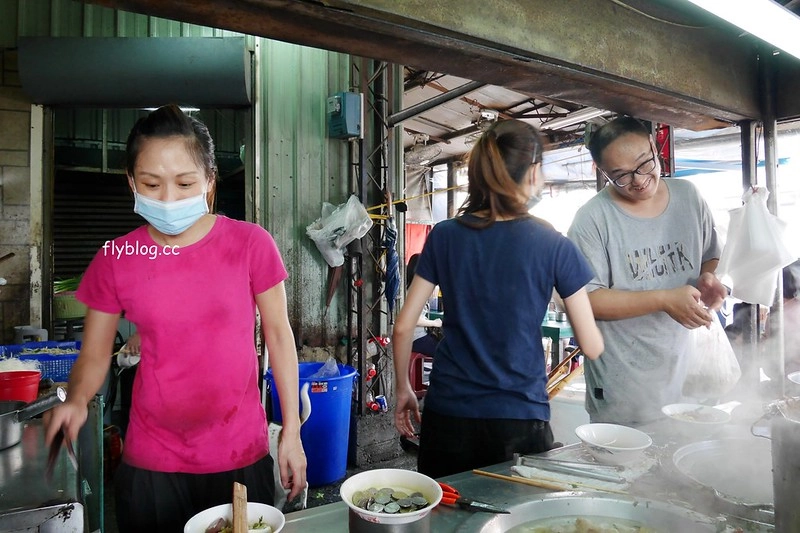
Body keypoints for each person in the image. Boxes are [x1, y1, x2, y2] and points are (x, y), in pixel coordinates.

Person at [44, 105, 306, 532]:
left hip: (239, 455)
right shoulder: (117, 258)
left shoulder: (249, 244)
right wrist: (75, 401)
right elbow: (94, 354)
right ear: (131, 183)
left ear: (209, 182)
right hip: (152, 463)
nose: (168, 199)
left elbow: (279, 337)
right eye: (151, 183)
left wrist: (291, 431)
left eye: (185, 183)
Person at [393, 119, 604, 479]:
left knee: (445, 519)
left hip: (449, 415)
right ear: (533, 173)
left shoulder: (445, 236)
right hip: (519, 418)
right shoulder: (553, 244)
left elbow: (402, 328)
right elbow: (591, 345)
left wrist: (402, 390)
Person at [567, 116, 728, 426]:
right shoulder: (592, 220)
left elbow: (711, 255)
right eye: (621, 176)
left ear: (656, 148)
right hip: (623, 385)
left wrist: (710, 277)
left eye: (644, 164)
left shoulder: (689, 197)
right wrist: (664, 299)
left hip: (685, 373)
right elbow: (585, 301)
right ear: (603, 173)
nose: (639, 180)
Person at [406, 253, 442, 357]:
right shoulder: (416, 291)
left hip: (418, 336)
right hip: (415, 339)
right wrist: (434, 323)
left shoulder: (414, 288)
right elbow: (414, 319)